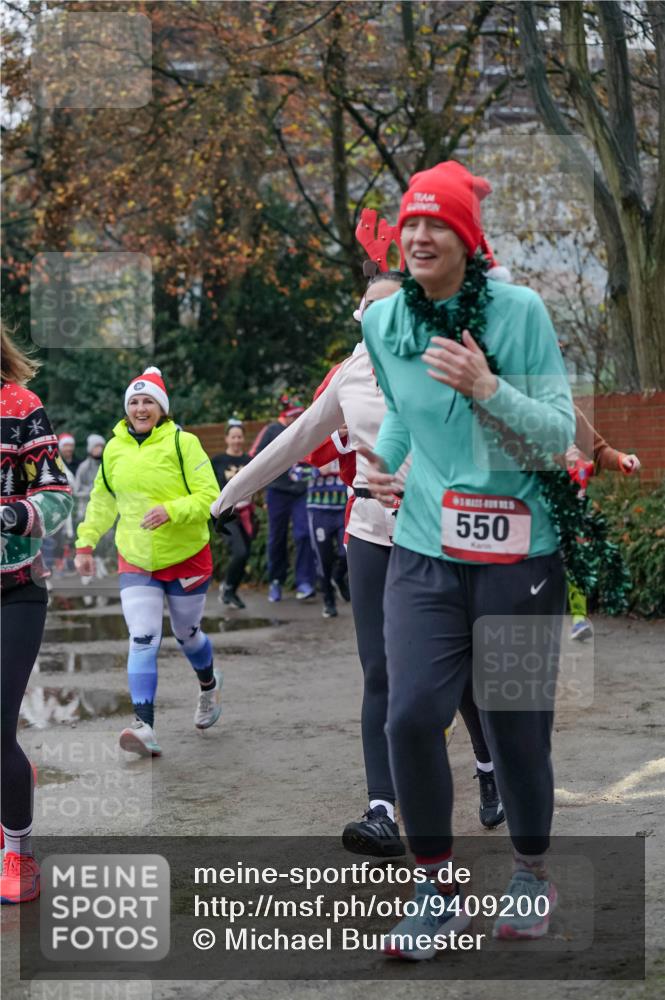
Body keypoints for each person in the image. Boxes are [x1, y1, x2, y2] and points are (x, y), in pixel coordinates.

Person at [212, 264, 505, 857]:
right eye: (368, 306)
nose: (378, 314)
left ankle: (488, 763)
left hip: (436, 535)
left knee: (459, 669)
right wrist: (228, 496)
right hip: (369, 532)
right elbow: (293, 441)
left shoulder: (445, 362)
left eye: (390, 305)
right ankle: (381, 810)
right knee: (380, 672)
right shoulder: (350, 375)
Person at [360, 160, 575, 953]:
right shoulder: (384, 324)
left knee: (514, 726)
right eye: (410, 222)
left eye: (437, 223)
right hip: (422, 548)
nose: (419, 235)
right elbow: (401, 413)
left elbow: (557, 435)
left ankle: (528, 873)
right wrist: (378, 467)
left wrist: (488, 387)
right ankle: (436, 890)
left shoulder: (517, 313)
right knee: (409, 714)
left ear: (465, 238)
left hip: (520, 554)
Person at [74, 366, 221, 756]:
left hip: (186, 555)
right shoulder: (113, 448)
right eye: (134, 401)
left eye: (148, 401)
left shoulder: (182, 443)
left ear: (162, 408)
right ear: (127, 409)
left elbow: (211, 496)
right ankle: (144, 726)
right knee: (142, 636)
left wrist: (171, 510)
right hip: (136, 558)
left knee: (188, 634)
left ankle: (208, 685)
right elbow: (103, 502)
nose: (141, 408)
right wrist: (85, 543)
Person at [1, 328, 73, 904]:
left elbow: (56, 493)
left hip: (15, 589)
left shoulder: (20, 406)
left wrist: (9, 516)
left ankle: (20, 856)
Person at [564, 409, 641, 641]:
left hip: (571, 518)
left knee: (575, 565)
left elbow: (598, 452)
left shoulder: (570, 411)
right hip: (530, 516)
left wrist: (621, 460)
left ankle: (578, 619)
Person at [249, 396, 316, 603]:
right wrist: (260, 489)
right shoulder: (271, 430)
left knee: (304, 534)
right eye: (293, 416)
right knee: (276, 537)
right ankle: (276, 581)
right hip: (277, 491)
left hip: (302, 491)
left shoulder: (306, 429)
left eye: (299, 415)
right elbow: (255, 456)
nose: (297, 419)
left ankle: (305, 582)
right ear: (285, 416)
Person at [211, 419, 254, 609]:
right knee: (240, 552)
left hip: (246, 513)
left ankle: (230, 591)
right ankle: (228, 588)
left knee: (246, 554)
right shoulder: (218, 461)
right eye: (233, 437)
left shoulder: (250, 461)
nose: (237, 440)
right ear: (227, 439)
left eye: (240, 437)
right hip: (225, 514)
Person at [305, 455, 348, 619]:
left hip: (342, 509)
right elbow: (294, 472)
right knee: (324, 559)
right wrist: (316, 470)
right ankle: (329, 601)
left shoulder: (346, 442)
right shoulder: (311, 444)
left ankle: (338, 577)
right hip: (319, 511)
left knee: (348, 551)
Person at [74, 434, 105, 523]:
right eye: (96, 446)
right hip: (85, 510)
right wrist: (92, 491)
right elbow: (77, 491)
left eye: (101, 446)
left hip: (103, 509)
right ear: (90, 448)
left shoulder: (105, 465)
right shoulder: (84, 467)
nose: (99, 449)